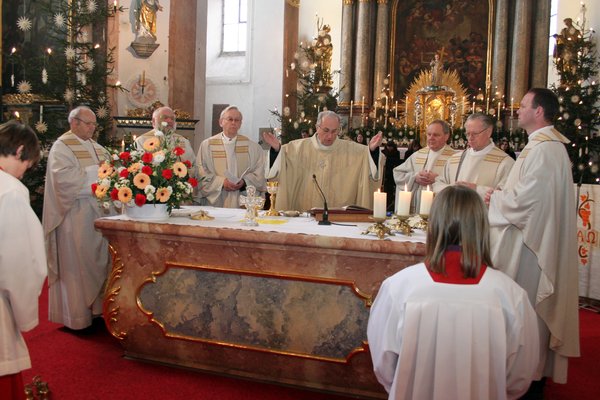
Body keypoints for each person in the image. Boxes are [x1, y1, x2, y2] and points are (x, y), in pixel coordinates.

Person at [368, 186, 539, 400]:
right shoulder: (510, 295)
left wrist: (406, 386)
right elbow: (520, 375)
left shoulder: (399, 287)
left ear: (433, 225)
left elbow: (384, 363)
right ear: (481, 227)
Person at [486, 88, 580, 389]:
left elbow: (525, 203)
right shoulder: (544, 147)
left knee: (526, 305)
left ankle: (525, 376)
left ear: (539, 112)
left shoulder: (543, 150)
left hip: (531, 248)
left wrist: (495, 198)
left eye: (524, 105)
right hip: (532, 238)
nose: (518, 110)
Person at [43, 106, 114, 330]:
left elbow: (111, 177)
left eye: (94, 124)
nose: (93, 128)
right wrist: (97, 172)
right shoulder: (62, 147)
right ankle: (75, 318)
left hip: (100, 214)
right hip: (75, 217)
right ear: (74, 123)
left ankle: (96, 313)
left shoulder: (99, 148)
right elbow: (62, 180)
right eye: (88, 123)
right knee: (78, 266)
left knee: (100, 264)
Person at [0, 121, 47, 400]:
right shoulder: (11, 191)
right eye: (27, 165)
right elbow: (20, 264)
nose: (24, 173)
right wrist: (25, 314)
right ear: (20, 151)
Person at [262, 110, 383, 211]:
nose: (330, 136)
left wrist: (371, 151)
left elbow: (367, 159)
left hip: (338, 217)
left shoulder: (353, 150)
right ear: (317, 127)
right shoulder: (295, 148)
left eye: (335, 131)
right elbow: (280, 165)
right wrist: (277, 150)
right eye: (326, 130)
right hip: (303, 215)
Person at [196, 105, 266, 208]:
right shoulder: (207, 145)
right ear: (221, 122)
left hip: (242, 201)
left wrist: (244, 182)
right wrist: (221, 182)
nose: (233, 122)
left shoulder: (252, 147)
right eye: (230, 119)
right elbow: (201, 172)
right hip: (217, 202)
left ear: (240, 124)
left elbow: (260, 173)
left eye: (237, 120)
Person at [433, 113, 514, 197]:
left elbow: (507, 196)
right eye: (468, 134)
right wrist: (452, 189)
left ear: (488, 132)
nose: (470, 138)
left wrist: (476, 190)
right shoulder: (455, 159)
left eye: (475, 134)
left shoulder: (505, 162)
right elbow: (437, 185)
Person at [393, 120, 455, 214]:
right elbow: (398, 173)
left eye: (436, 135)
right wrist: (415, 177)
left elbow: (459, 185)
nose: (431, 138)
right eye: (429, 134)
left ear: (446, 136)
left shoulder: (454, 158)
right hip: (416, 209)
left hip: (441, 210)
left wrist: (437, 179)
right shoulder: (418, 155)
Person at [382, 141, 401, 211]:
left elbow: (397, 162)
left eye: (391, 147)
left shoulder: (396, 152)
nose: (389, 148)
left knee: (390, 190)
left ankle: (389, 204)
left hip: (392, 172)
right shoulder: (383, 151)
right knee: (384, 190)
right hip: (385, 173)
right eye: (388, 146)